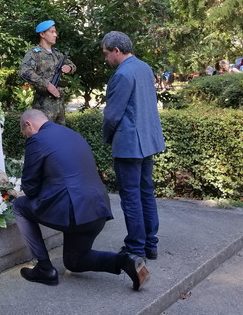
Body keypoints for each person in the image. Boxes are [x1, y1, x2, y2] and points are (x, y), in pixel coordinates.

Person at [13, 110, 149, 290]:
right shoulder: (72, 134)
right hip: (98, 210)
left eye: (25, 134)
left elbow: (30, 188)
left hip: (72, 211)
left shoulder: (37, 140)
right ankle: (125, 261)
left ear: (28, 124)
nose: (26, 137)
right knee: (74, 261)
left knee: (19, 206)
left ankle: (44, 268)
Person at [101, 31, 166, 268]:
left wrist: (106, 138)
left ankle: (135, 247)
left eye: (107, 53)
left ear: (116, 51)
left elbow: (113, 115)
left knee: (130, 198)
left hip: (129, 145)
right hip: (147, 141)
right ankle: (151, 244)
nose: (106, 58)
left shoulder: (122, 74)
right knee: (146, 192)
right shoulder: (144, 67)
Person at [18, 20, 75, 125]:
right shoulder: (34, 54)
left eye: (55, 32)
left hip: (59, 104)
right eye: (52, 32)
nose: (55, 35)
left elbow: (73, 66)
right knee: (43, 135)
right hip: (43, 105)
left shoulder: (57, 53)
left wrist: (69, 68)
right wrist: (47, 84)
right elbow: (24, 71)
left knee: (60, 135)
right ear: (42, 34)